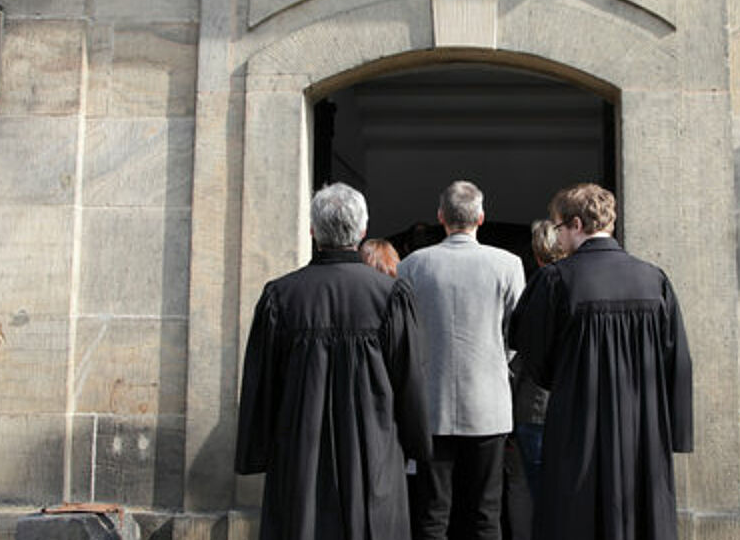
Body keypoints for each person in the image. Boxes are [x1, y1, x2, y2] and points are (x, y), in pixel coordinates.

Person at [235, 183, 431, 540]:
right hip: (374, 454)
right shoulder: (390, 296)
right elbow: (409, 380)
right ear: (362, 231)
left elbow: (262, 385)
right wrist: (418, 445)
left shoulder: (281, 297)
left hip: (300, 453)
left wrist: (258, 450)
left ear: (312, 231)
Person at [508, 183, 693, 540]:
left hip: (580, 423)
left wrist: (563, 380)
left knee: (577, 515)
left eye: (558, 227)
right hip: (644, 425)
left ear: (576, 224)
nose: (557, 236)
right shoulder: (654, 280)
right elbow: (679, 360)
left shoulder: (556, 281)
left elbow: (532, 352)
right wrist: (675, 429)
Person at [397, 180, 526, 540]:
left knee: (432, 513)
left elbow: (405, 333)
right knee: (485, 513)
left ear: (441, 217)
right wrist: (496, 359)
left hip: (430, 404)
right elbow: (518, 334)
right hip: (488, 404)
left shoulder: (412, 266)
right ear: (481, 217)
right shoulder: (508, 265)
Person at [510, 220, 567, 502]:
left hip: (533, 407)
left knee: (534, 493)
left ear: (535, 253)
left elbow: (519, 347)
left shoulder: (532, 291)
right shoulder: (578, 288)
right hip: (571, 408)